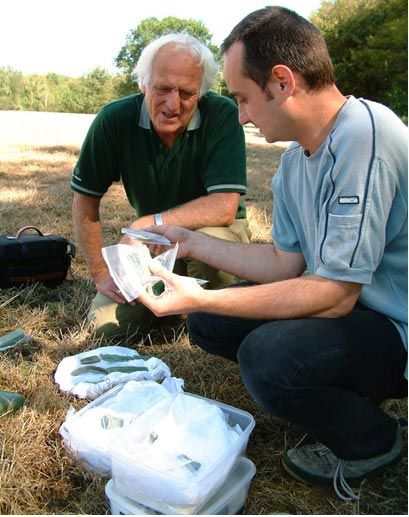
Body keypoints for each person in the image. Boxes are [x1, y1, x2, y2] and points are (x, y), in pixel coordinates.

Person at [137, 6, 408, 501]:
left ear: (281, 82)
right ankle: (340, 387)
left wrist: (201, 297)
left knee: (268, 358)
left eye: (243, 98)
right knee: (209, 325)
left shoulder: (365, 135)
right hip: (358, 311)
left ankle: (374, 440)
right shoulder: (293, 165)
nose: (241, 115)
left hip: (397, 324)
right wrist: (190, 240)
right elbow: (286, 264)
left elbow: (334, 296)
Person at [71, 33, 251, 339]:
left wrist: (150, 223)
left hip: (214, 237)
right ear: (143, 83)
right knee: (102, 328)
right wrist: (101, 272)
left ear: (201, 93)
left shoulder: (222, 114)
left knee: (208, 247)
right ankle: (167, 298)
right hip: (151, 246)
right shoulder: (114, 119)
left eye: (186, 93)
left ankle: (211, 317)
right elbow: (85, 200)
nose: (173, 104)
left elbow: (224, 207)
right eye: (162, 89)